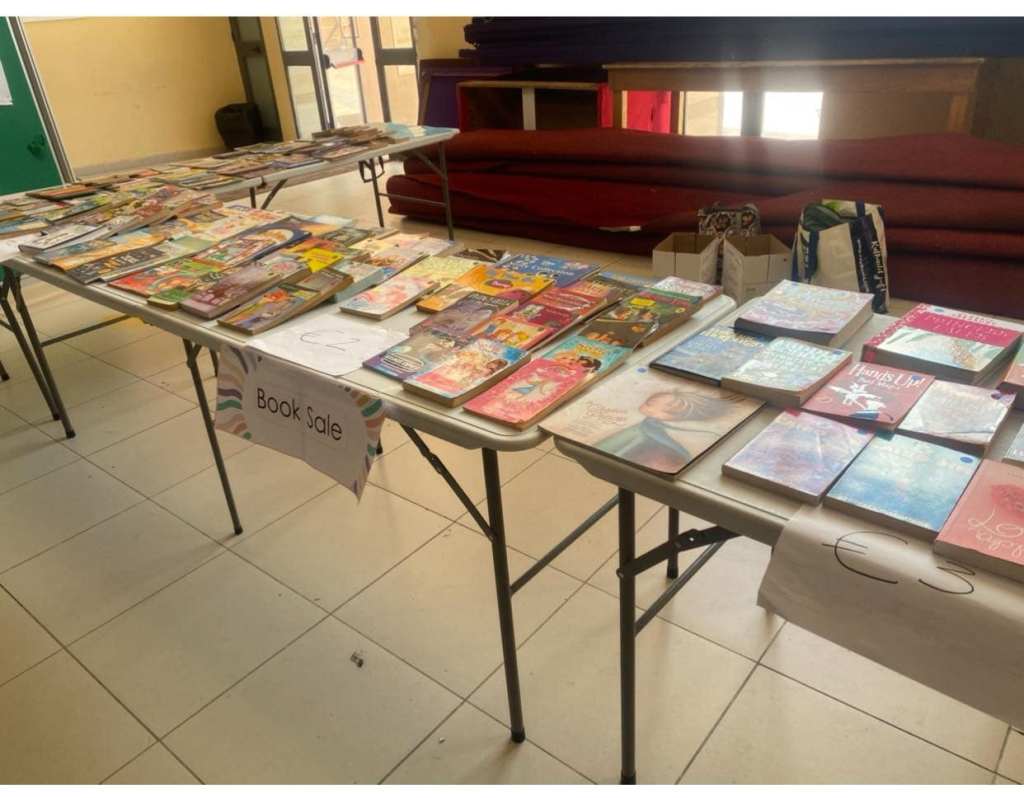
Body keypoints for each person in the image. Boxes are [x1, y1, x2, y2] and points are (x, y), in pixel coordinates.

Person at [596, 387, 745, 472]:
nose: (645, 406)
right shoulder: (648, 426)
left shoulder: (653, 432)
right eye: (649, 402)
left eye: (650, 404)